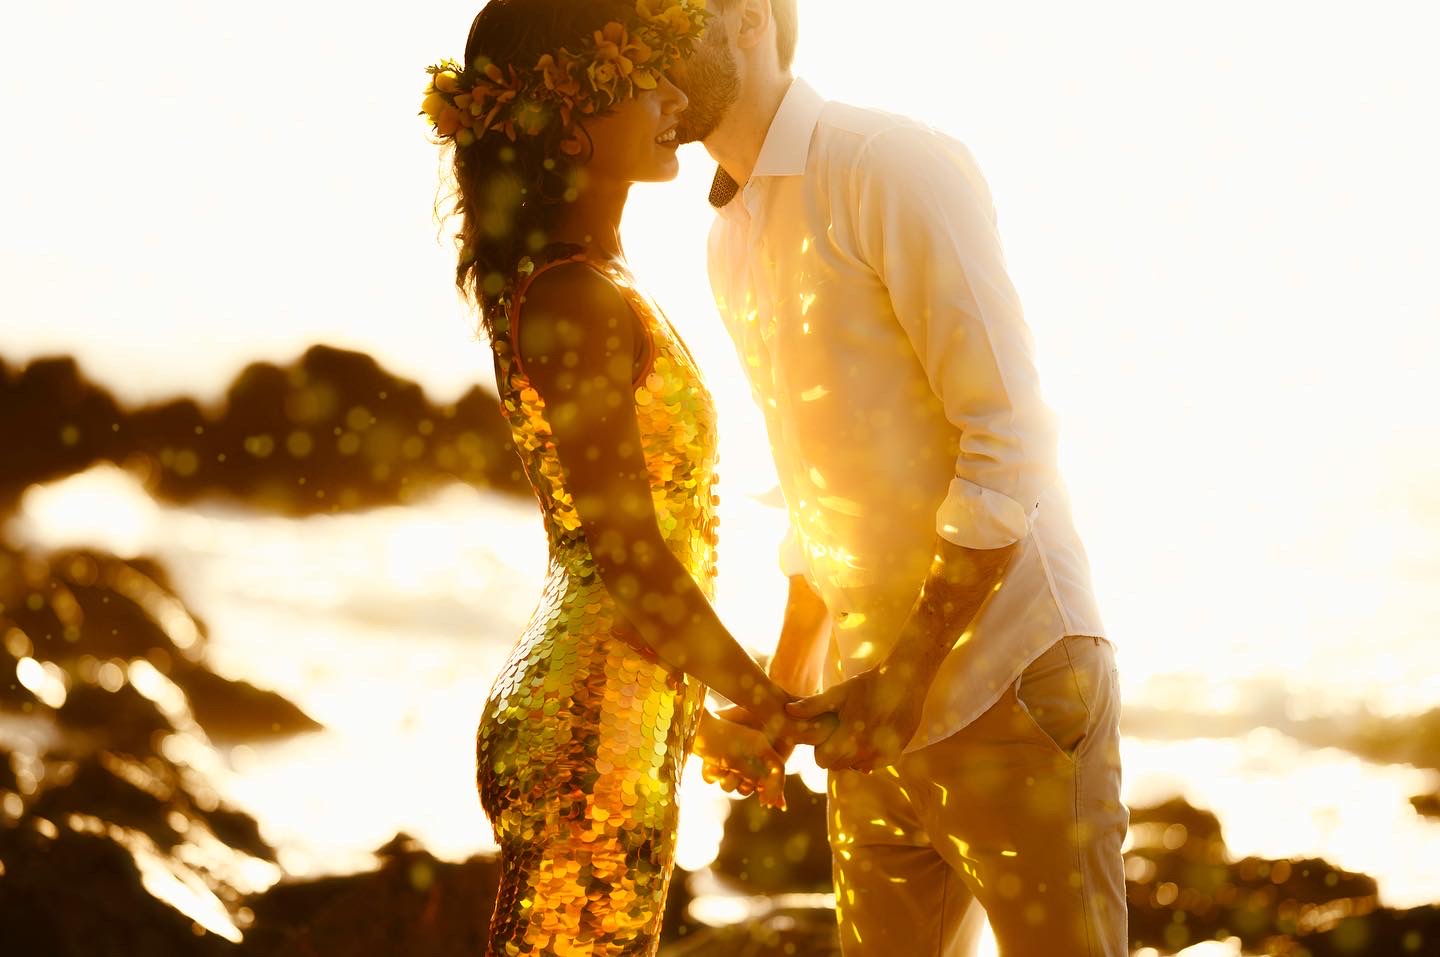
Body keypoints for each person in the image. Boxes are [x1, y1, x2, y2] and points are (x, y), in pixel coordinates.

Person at [669, 1, 1130, 954]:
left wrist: (909, 671)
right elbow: (818, 490)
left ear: (748, 17)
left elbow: (1009, 436)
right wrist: (788, 681)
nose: (633, 58)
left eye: (657, 21)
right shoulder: (727, 238)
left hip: (1013, 682)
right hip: (866, 705)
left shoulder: (887, 163)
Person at [421, 1, 822, 952]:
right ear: (567, 118)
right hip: (583, 726)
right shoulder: (574, 298)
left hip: (611, 715)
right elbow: (630, 559)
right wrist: (759, 697)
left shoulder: (600, 279)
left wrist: (693, 721)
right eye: (644, 79)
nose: (677, 96)